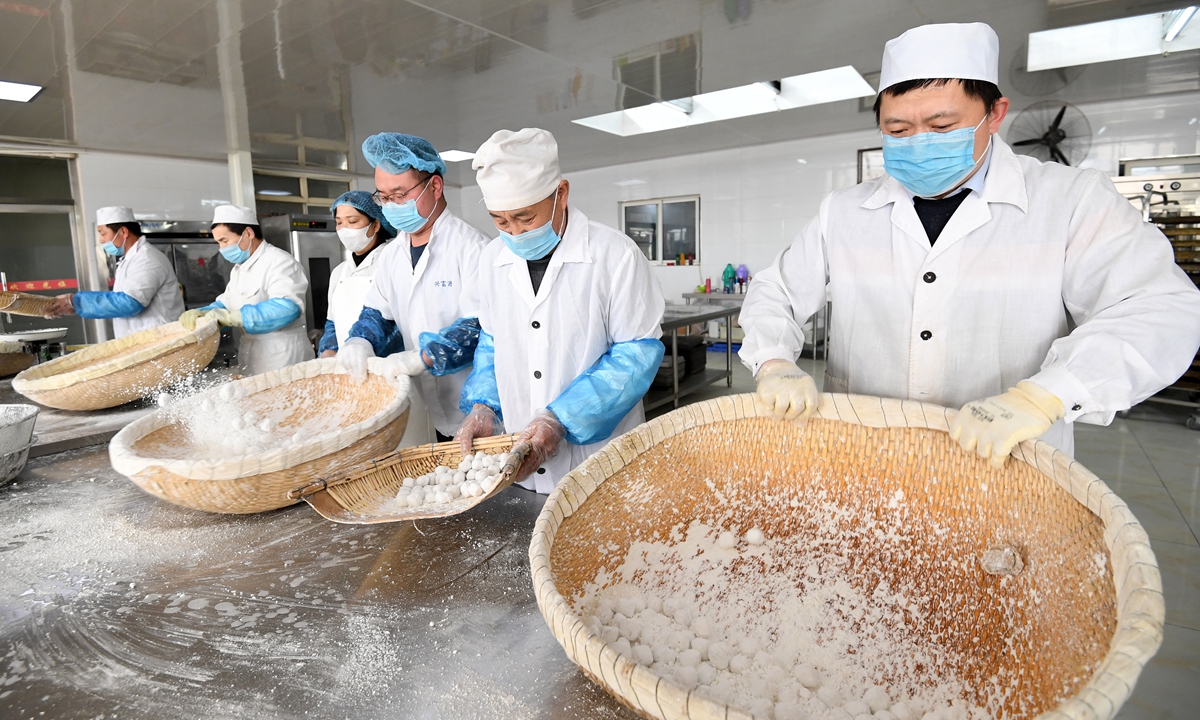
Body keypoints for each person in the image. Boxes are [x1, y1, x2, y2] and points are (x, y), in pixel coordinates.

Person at [737, 22, 1200, 468]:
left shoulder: (1071, 200)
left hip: (1006, 462)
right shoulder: (842, 211)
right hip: (865, 454)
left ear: (995, 114)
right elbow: (774, 290)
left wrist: (1045, 394)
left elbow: (1159, 308)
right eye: (898, 130)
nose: (919, 144)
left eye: (942, 127)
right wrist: (776, 362)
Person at [453, 128, 665, 493]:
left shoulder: (614, 255)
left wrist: (562, 419)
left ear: (561, 194)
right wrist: (485, 406)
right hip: (521, 465)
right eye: (500, 221)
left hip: (599, 463)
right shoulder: (491, 260)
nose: (515, 233)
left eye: (525, 217)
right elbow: (491, 344)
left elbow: (636, 357)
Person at [337, 133, 490, 443]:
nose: (392, 205)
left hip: (482, 410)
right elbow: (378, 312)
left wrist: (425, 357)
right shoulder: (393, 254)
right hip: (432, 409)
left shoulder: (473, 248)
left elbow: (483, 327)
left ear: (434, 186)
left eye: (400, 194)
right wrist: (360, 340)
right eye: (383, 197)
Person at [179, 205, 315, 375]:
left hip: (283, 355)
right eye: (218, 243)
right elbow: (228, 301)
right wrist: (204, 313)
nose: (221, 249)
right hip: (251, 352)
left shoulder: (280, 262)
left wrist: (234, 317)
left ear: (248, 233)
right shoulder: (239, 269)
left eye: (225, 241)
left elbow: (287, 308)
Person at [44, 206, 184, 337]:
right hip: (144, 341)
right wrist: (73, 304)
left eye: (103, 233)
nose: (101, 240)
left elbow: (129, 302)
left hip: (160, 340)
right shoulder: (129, 260)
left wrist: (76, 302)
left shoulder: (147, 259)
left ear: (123, 232)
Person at [317, 190, 402, 358]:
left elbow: (401, 324)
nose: (344, 229)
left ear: (376, 225)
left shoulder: (394, 262)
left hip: (385, 364)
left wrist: (365, 349)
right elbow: (333, 323)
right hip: (347, 364)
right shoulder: (339, 272)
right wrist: (329, 350)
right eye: (339, 222)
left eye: (353, 221)